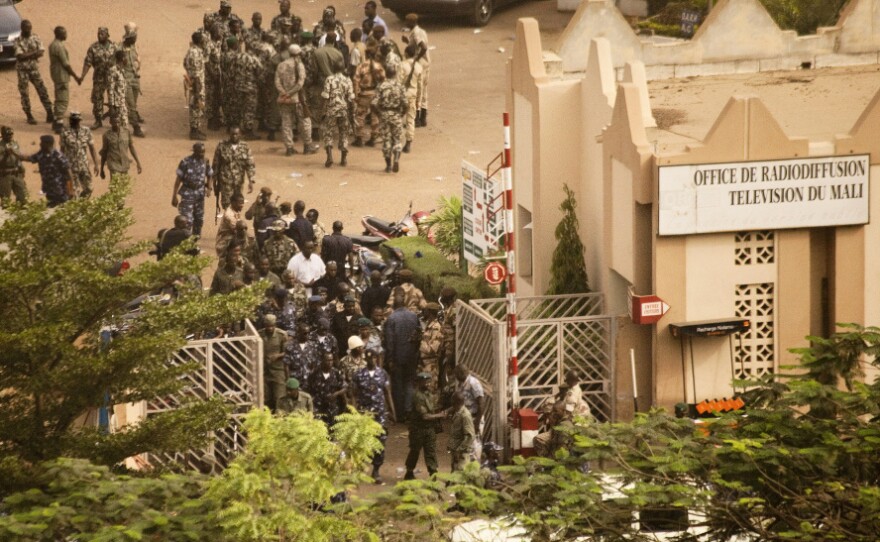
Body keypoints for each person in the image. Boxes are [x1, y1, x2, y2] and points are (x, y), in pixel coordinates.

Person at [352, 349, 395, 483]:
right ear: (366, 359)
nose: (371, 360)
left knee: (380, 442)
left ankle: (376, 469)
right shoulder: (359, 374)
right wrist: (354, 412)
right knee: (363, 442)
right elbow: (353, 394)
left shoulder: (382, 374)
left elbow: (388, 393)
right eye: (369, 358)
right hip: (364, 414)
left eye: (374, 358)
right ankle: (360, 469)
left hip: (380, 414)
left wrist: (393, 412)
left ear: (377, 359)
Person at [275, 44, 318, 156]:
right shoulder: (299, 65)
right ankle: (307, 146)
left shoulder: (281, 65)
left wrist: (284, 93)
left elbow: (277, 82)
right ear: (298, 54)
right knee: (305, 122)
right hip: (297, 99)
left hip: (284, 99)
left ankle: (289, 148)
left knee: (286, 123)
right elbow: (300, 83)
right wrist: (290, 93)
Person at [385, 294, 421, 417]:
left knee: (398, 384)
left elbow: (389, 341)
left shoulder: (391, 318)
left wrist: (389, 359)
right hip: (411, 356)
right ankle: (409, 410)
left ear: (394, 304)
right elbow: (418, 336)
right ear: (405, 303)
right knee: (409, 383)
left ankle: (400, 413)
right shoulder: (414, 316)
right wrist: (415, 351)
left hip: (397, 357)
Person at [404, 372, 444, 480]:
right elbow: (425, 416)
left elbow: (433, 407)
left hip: (429, 428)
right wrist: (439, 415)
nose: (427, 384)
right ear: (419, 382)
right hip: (418, 429)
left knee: (431, 451)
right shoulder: (417, 396)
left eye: (428, 381)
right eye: (424, 382)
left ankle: (433, 473)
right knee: (415, 451)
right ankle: (409, 471)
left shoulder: (429, 395)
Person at [14, 20, 54, 126]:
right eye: (27, 28)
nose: (29, 30)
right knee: (25, 93)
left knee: (42, 90)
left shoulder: (35, 37)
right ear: (22, 28)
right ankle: (29, 115)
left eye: (30, 28)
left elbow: (41, 52)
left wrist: (28, 54)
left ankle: (49, 112)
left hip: (34, 69)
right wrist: (34, 53)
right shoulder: (17, 40)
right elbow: (19, 56)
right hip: (22, 71)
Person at [172, 142, 213, 237]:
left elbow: (210, 175)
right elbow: (178, 180)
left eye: (203, 152)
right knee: (187, 219)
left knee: (199, 219)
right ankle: (184, 239)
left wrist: (209, 189)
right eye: (200, 152)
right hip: (187, 193)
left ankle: (195, 240)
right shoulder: (185, 162)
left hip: (200, 194)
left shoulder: (205, 161)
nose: (202, 154)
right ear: (194, 151)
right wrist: (174, 196)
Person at [81, 27, 117, 129]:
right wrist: (83, 75)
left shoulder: (114, 47)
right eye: (98, 34)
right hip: (99, 77)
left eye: (102, 34)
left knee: (113, 99)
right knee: (97, 98)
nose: (99, 35)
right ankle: (98, 120)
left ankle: (113, 120)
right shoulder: (93, 48)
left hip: (112, 77)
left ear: (107, 35)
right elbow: (87, 62)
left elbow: (120, 60)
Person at [373, 65, 407, 173]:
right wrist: (401, 114)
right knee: (397, 139)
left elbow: (373, 103)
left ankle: (388, 166)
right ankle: (396, 159)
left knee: (386, 140)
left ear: (386, 74)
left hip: (384, 114)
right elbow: (406, 104)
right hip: (396, 113)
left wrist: (379, 114)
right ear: (395, 74)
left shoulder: (381, 86)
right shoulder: (400, 86)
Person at [321, 60, 354, 168]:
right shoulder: (348, 80)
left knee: (328, 132)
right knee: (344, 133)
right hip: (343, 110)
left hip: (331, 110)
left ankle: (329, 157)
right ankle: (343, 159)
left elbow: (325, 97)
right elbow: (351, 98)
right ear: (343, 68)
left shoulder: (329, 79)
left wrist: (323, 111)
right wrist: (351, 114)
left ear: (333, 68)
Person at [212, 127, 256, 209]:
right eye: (232, 134)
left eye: (236, 134)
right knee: (226, 205)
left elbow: (250, 164)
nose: (234, 136)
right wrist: (214, 181)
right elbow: (216, 164)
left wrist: (251, 181)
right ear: (229, 134)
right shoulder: (222, 146)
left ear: (240, 135)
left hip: (239, 182)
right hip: (225, 182)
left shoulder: (245, 147)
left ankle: (235, 220)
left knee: (238, 204)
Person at [59, 112, 98, 199]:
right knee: (72, 193)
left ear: (80, 121)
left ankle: (82, 204)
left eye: (77, 120)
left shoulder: (86, 131)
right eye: (73, 120)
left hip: (84, 165)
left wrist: (95, 164)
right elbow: (62, 150)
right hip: (70, 167)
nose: (75, 122)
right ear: (70, 121)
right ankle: (75, 208)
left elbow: (92, 148)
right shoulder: (65, 132)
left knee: (89, 188)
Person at [49, 26, 81, 133]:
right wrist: (76, 76)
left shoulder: (53, 45)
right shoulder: (59, 46)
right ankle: (59, 124)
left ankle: (55, 121)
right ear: (59, 34)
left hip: (56, 74)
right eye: (64, 33)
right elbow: (66, 64)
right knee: (63, 100)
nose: (66, 35)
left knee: (58, 98)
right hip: (61, 76)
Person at [351, 46, 384, 147]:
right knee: (375, 116)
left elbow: (356, 81)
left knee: (360, 115)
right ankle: (373, 138)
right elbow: (383, 81)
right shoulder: (379, 66)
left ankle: (359, 138)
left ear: (366, 54)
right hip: (375, 93)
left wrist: (356, 94)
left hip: (364, 94)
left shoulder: (361, 66)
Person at [402, 14, 430, 127]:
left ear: (412, 22)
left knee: (418, 90)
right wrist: (407, 41)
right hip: (426, 63)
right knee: (424, 91)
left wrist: (415, 59)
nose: (405, 23)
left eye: (407, 21)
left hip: (421, 64)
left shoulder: (417, 33)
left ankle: (417, 119)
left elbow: (423, 47)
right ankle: (423, 118)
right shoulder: (420, 31)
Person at [454, 365, 485, 460]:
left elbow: (481, 403)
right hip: (465, 418)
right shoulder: (461, 384)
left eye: (456, 374)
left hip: (474, 417)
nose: (455, 377)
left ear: (462, 373)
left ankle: (475, 467)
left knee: (474, 445)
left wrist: (476, 423)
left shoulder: (473, 383)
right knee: (466, 444)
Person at [260, 313, 290, 412]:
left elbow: (288, 352)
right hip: (264, 371)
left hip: (278, 371)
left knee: (279, 398)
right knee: (265, 398)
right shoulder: (260, 334)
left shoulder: (282, 335)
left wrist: (278, 356)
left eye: (272, 326)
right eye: (267, 326)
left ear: (275, 325)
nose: (270, 328)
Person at [308, 352, 347, 426]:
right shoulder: (315, 373)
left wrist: (336, 394)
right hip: (318, 407)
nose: (330, 362)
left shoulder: (336, 373)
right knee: (319, 430)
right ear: (322, 360)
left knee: (333, 431)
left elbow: (345, 387)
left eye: (331, 360)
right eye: (327, 360)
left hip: (332, 408)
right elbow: (308, 388)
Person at [397, 44, 423, 154]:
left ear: (406, 54)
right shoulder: (419, 66)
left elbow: (398, 83)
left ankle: (397, 141)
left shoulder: (402, 65)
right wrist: (419, 101)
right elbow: (420, 86)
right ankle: (408, 143)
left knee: (398, 118)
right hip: (412, 96)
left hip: (402, 96)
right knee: (410, 120)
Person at [100, 114, 142, 179]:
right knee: (116, 185)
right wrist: (101, 169)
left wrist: (138, 163)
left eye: (118, 122)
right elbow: (104, 152)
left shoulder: (126, 132)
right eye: (114, 122)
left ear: (120, 122)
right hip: (113, 164)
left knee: (124, 186)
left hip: (124, 164)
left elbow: (131, 147)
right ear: (110, 122)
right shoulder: (106, 135)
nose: (116, 124)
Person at [184, 32, 208, 141]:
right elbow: (197, 73)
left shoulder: (191, 51)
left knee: (196, 107)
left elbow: (184, 63)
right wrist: (198, 89)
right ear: (200, 41)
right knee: (196, 106)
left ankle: (196, 129)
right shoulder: (196, 53)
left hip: (193, 82)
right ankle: (194, 131)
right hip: (196, 84)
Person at [121, 24, 144, 130]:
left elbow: (136, 59)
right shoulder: (119, 48)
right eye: (134, 37)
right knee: (131, 104)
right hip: (126, 79)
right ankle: (136, 127)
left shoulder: (133, 47)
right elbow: (113, 63)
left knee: (133, 102)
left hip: (135, 78)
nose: (136, 39)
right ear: (129, 38)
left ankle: (131, 117)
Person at [0, 126, 28, 207]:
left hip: (16, 173)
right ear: (3, 135)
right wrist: (5, 154)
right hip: (5, 175)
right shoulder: (0, 146)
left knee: (23, 196)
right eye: (8, 134)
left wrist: (22, 169)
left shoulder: (15, 143)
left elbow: (18, 157)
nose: (10, 136)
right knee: (6, 200)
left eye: (11, 134)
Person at [448, 391, 476, 472]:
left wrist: (459, 450)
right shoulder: (458, 413)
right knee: (454, 472)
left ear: (456, 402)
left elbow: (470, 436)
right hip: (456, 450)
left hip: (462, 453)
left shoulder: (465, 415)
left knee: (460, 474)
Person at [420, 303, 443, 386]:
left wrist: (420, 341)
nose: (423, 313)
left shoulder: (436, 328)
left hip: (431, 367)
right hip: (424, 365)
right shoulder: (427, 326)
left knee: (430, 391)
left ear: (429, 312)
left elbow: (432, 349)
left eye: (425, 311)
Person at [216, 192, 245, 258]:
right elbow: (239, 230)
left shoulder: (235, 209)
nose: (242, 205)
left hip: (231, 239)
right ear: (233, 203)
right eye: (240, 203)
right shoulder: (229, 215)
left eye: (243, 202)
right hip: (224, 244)